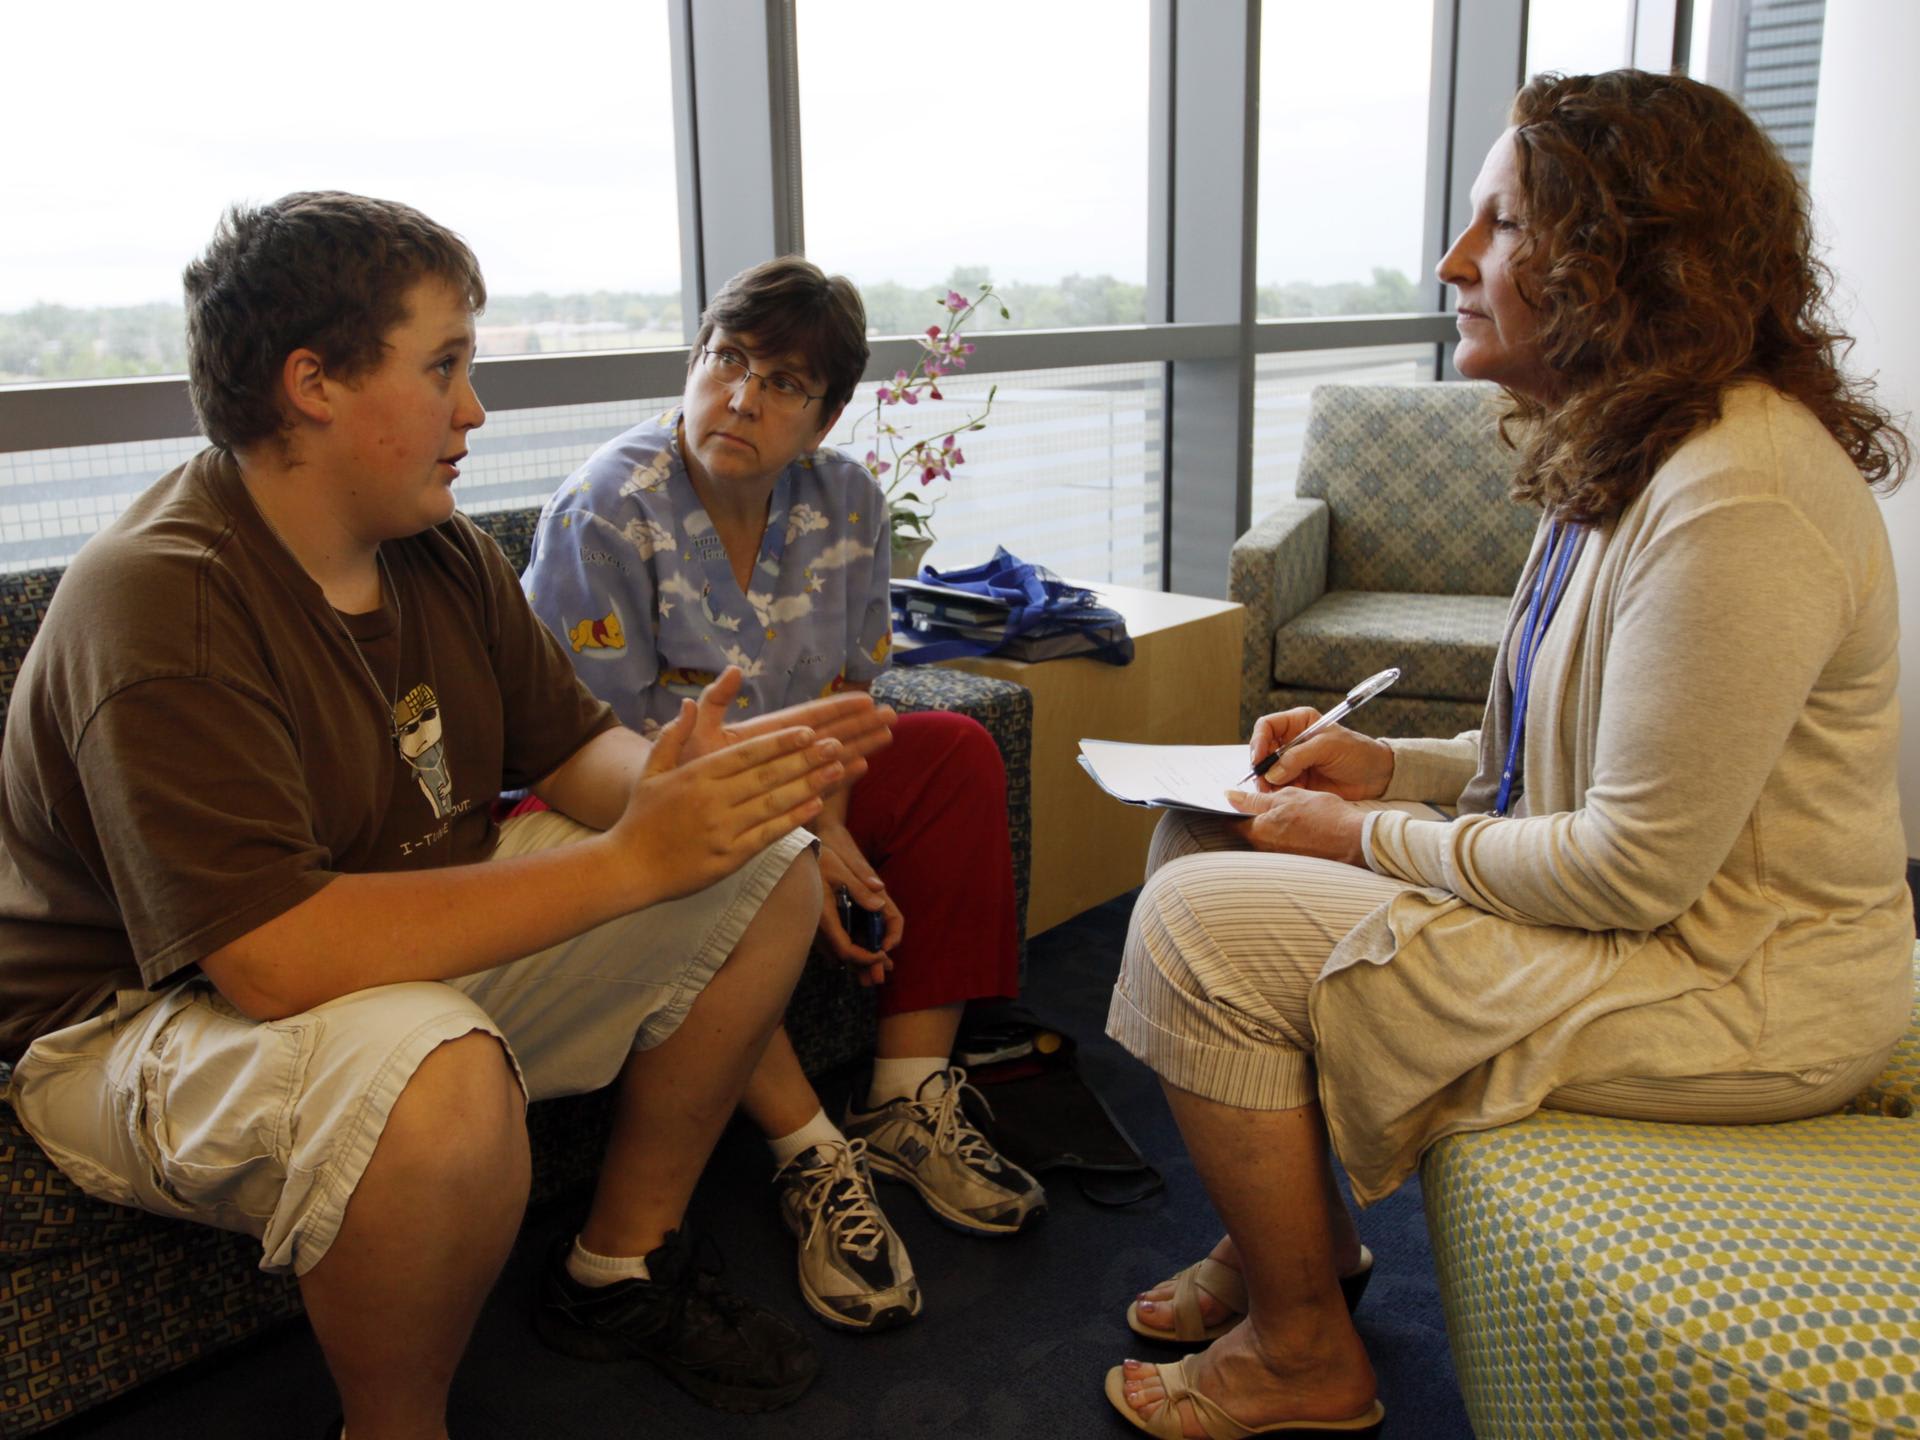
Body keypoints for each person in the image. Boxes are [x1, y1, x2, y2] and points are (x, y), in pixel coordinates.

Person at [0, 193, 896, 1438]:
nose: (474, 411)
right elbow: (271, 959)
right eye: (444, 368)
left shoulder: (440, 550)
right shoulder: (160, 603)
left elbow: (584, 755)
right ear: (313, 383)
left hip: (367, 945)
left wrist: (698, 785)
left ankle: (616, 1270)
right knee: (441, 1083)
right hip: (133, 1020)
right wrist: (634, 860)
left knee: (769, 872)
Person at [1101, 70, 1912, 1440]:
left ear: (1625, 258)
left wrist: (1358, 839)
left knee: (1197, 928)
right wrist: (1383, 774)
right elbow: (1561, 746)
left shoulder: (1739, 498)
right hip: (1659, 928)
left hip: (1738, 987)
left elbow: (1631, 865)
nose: (1453, 263)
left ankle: (1304, 1353)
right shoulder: (1630, 442)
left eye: (1502, 226)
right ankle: (1297, 1249)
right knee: (1204, 833)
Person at [519, 256, 1044, 1334]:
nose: (744, 398)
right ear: (697, 364)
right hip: (640, 799)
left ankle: (904, 1096)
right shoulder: (604, 513)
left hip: (802, 784)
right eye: (727, 361)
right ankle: (810, 1152)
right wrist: (800, 839)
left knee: (951, 754)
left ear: (826, 415)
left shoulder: (844, 495)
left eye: (785, 384)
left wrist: (833, 819)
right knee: (745, 855)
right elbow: (588, 754)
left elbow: (852, 689)